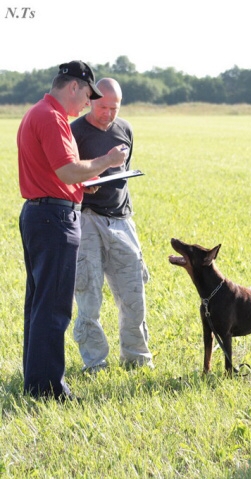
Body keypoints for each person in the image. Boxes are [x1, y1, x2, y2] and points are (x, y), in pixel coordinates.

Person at [17, 61, 127, 401]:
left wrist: (85, 182)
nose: (86, 105)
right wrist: (106, 162)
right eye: (87, 96)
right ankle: (49, 389)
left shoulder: (38, 112)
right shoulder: (52, 117)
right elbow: (66, 171)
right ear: (74, 87)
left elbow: (60, 174)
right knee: (53, 307)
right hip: (54, 219)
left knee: (39, 304)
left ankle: (37, 382)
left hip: (41, 213)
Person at [71, 78, 153, 373]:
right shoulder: (74, 131)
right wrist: (85, 184)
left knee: (133, 293)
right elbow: (68, 174)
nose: (108, 113)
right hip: (87, 218)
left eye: (114, 107)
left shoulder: (126, 129)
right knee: (88, 295)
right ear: (90, 100)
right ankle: (94, 364)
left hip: (121, 219)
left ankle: (137, 358)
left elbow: (124, 168)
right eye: (102, 106)